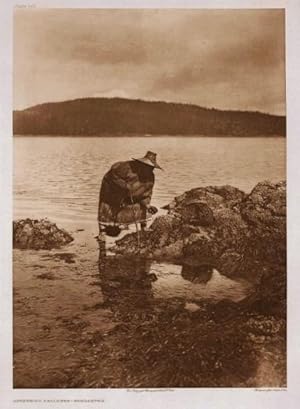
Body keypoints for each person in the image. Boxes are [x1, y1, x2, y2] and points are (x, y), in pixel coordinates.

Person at [98, 151, 162, 235]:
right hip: (111, 189)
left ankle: (143, 227)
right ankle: (102, 232)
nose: (150, 169)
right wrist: (123, 185)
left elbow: (147, 194)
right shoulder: (126, 167)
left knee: (141, 206)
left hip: (131, 195)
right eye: (147, 167)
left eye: (151, 167)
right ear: (141, 164)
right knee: (107, 208)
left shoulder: (150, 178)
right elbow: (112, 174)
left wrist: (148, 205)